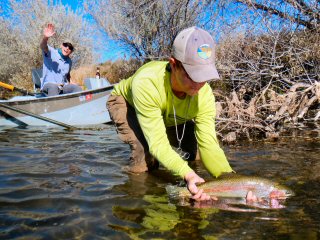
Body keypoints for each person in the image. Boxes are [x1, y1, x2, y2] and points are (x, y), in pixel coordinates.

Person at [107, 26, 234, 201]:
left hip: (166, 111)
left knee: (195, 155)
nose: (199, 84)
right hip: (127, 103)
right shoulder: (146, 82)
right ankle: (142, 200)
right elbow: (158, 144)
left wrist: (232, 182)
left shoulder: (204, 94)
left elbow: (210, 146)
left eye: (204, 76)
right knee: (145, 158)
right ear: (174, 64)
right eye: (193, 75)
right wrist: (186, 174)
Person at [40, 23, 82, 96]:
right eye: (66, 45)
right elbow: (43, 46)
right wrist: (45, 38)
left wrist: (71, 82)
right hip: (49, 85)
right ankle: (54, 106)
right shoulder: (51, 52)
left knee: (77, 88)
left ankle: (78, 106)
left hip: (63, 86)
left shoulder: (69, 61)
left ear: (71, 51)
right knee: (54, 87)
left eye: (70, 48)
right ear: (62, 46)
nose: (67, 48)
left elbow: (67, 74)